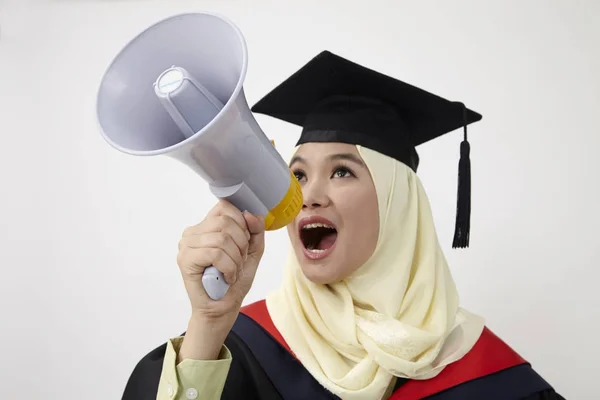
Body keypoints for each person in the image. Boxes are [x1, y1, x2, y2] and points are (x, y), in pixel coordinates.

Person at [121, 51, 565, 400]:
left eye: (342, 172)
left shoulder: (485, 370)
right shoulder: (237, 347)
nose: (309, 195)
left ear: (397, 205)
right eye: (296, 175)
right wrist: (207, 321)